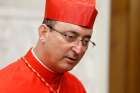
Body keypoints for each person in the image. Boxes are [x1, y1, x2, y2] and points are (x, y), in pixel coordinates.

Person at [0, 0, 98, 93]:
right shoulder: (5, 85)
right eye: (70, 36)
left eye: (86, 41)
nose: (79, 49)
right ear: (44, 33)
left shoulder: (76, 87)